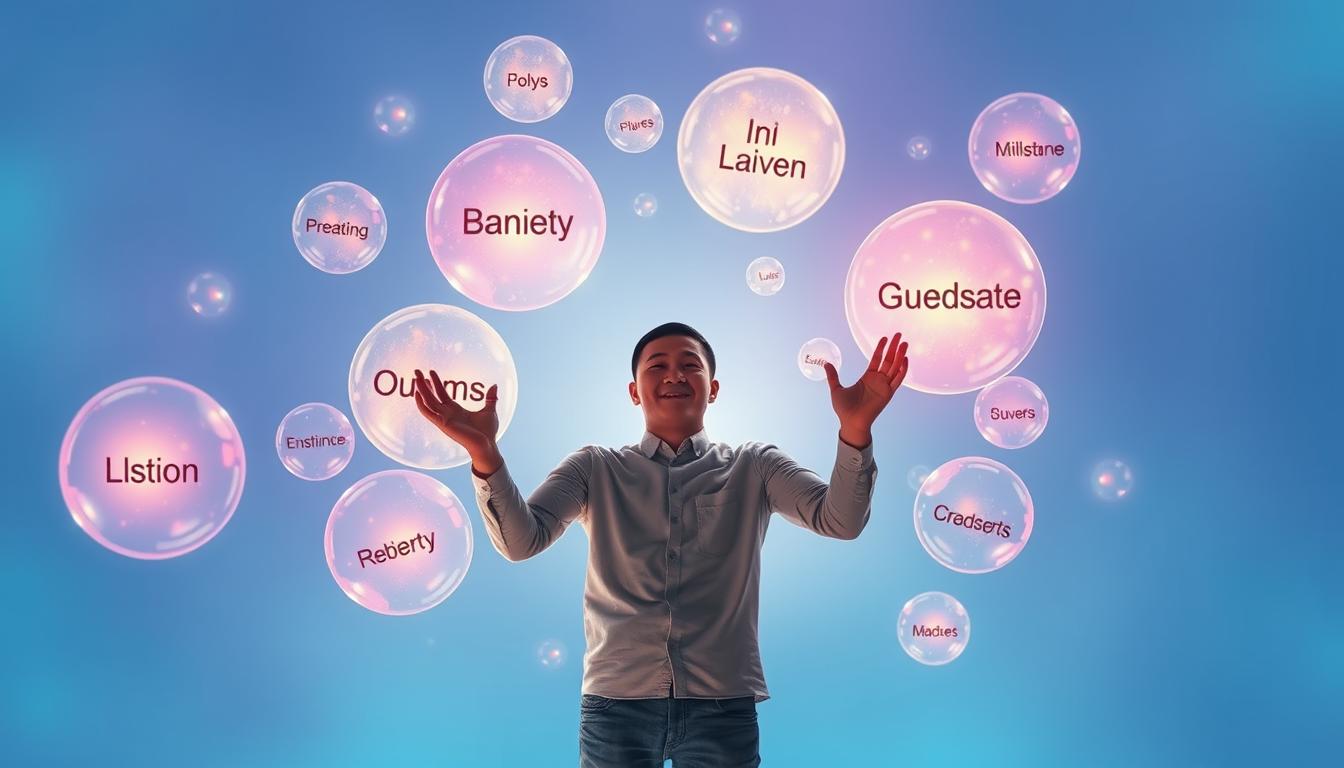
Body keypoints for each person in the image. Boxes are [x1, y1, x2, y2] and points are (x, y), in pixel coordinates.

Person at [413, 322, 909, 767]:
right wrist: (484, 451)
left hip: (723, 703)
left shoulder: (755, 466)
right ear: (634, 391)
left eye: (690, 365)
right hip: (615, 704)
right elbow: (522, 541)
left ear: (713, 389)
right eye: (658, 365)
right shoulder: (594, 467)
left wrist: (855, 429)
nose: (674, 374)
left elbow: (840, 521)